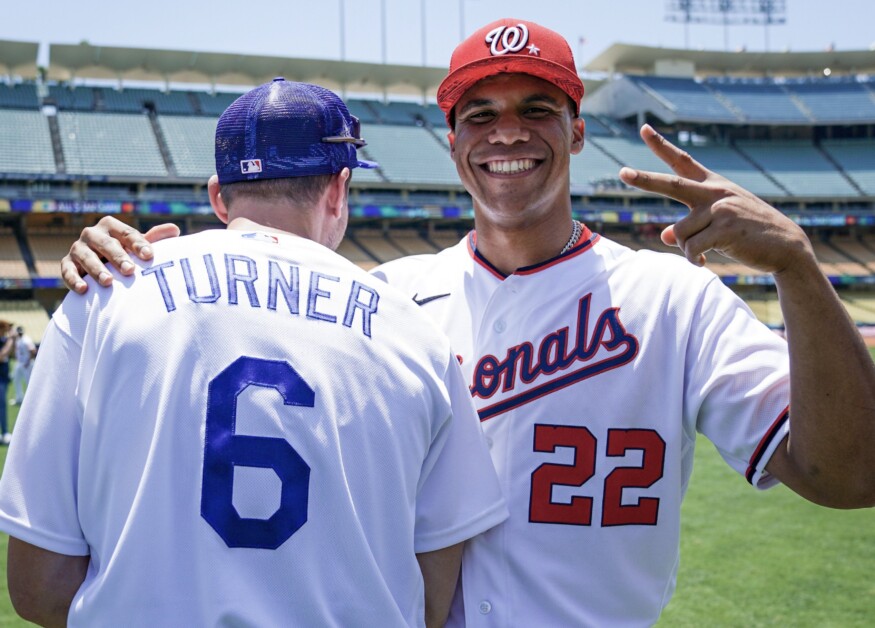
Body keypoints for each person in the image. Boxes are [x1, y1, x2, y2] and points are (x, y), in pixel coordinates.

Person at [59, 19, 875, 627]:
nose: (507, 132)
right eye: (478, 115)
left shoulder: (673, 297)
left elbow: (848, 477)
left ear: (576, 131)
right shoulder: (381, 298)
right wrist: (119, 262)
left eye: (535, 108)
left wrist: (798, 267)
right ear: (452, 145)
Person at [1, 77, 507, 627]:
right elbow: (432, 600)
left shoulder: (104, 291)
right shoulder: (418, 333)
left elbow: (39, 586)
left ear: (218, 195)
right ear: (339, 188)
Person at [10, 325, 36, 407]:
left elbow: (33, 351)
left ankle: (31, 400)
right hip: (20, 363)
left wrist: (27, 362)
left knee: (28, 382)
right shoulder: (18, 340)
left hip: (27, 363)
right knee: (16, 380)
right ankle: (19, 398)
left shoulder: (26, 339)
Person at [0, 321, 12, 444]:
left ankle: (4, 432)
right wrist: (10, 341)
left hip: (3, 377)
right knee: (2, 407)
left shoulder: (4, 341)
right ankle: (4, 432)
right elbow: (2, 356)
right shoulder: (5, 342)